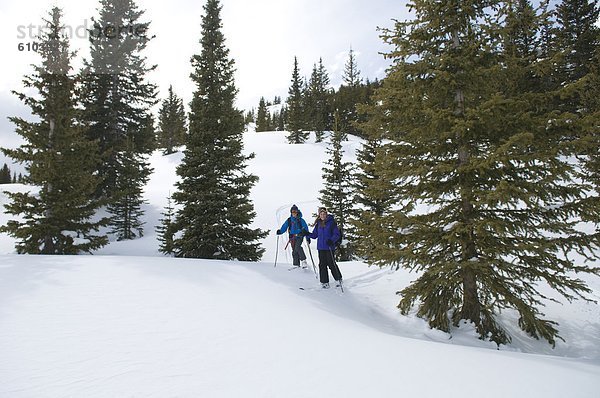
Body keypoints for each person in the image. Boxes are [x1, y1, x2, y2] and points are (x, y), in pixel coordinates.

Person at [304, 207, 342, 288]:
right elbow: (314, 235)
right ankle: (324, 282)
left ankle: (338, 279)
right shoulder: (318, 224)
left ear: (326, 214)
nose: (322, 215)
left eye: (324, 214)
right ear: (319, 215)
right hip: (321, 248)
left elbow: (337, 234)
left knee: (331, 264)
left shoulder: (331, 223)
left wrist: (332, 240)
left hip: (329, 247)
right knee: (322, 265)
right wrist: (306, 233)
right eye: (321, 214)